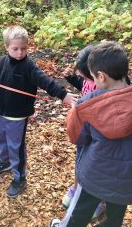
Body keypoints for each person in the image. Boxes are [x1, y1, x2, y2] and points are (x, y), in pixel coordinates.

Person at [0, 25, 77, 198]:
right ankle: (5, 162)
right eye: (15, 49)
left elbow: (45, 81)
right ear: (7, 47)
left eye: (23, 49)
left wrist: (63, 95)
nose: (19, 53)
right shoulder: (2, 62)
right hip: (2, 111)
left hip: (18, 116)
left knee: (15, 146)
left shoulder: (29, 66)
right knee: (1, 139)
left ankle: (20, 178)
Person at [50, 41, 132, 227]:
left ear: (101, 76)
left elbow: (76, 137)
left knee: (78, 214)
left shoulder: (86, 105)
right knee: (115, 217)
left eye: (93, 77)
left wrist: (74, 112)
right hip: (127, 178)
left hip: (95, 174)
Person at [62, 45, 105, 220]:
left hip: (98, 136)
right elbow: (84, 86)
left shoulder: (107, 87)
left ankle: (99, 201)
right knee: (80, 161)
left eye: (84, 75)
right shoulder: (91, 80)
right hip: (84, 131)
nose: (83, 79)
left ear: (98, 74)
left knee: (97, 168)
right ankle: (76, 188)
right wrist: (73, 79)